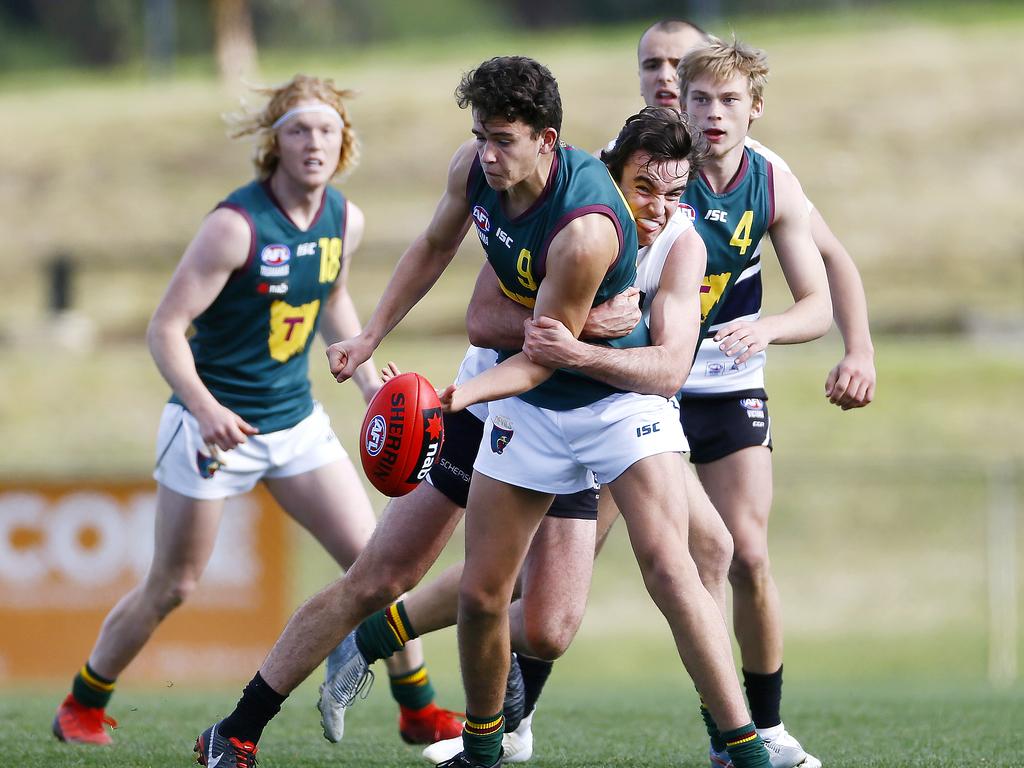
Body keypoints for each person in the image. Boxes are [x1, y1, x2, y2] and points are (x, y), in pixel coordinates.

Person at [326, 58, 778, 768]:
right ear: (608, 174)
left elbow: (664, 372)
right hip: (521, 401)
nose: (657, 208)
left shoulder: (678, 245)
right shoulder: (562, 215)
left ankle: (743, 744)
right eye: (643, 189)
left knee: (641, 581)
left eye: (674, 193)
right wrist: (455, 366)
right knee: (484, 590)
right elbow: (483, 316)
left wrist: (578, 349)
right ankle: (482, 732)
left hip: (620, 409)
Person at [50, 74, 461, 749]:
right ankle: (84, 702)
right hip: (214, 428)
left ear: (344, 142)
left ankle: (417, 708)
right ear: (274, 143)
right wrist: (204, 407)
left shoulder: (343, 219)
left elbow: (329, 296)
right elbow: (165, 328)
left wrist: (365, 380)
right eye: (299, 129)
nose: (314, 143)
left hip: (296, 425)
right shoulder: (233, 227)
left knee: (377, 564)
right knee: (175, 583)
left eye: (327, 130)